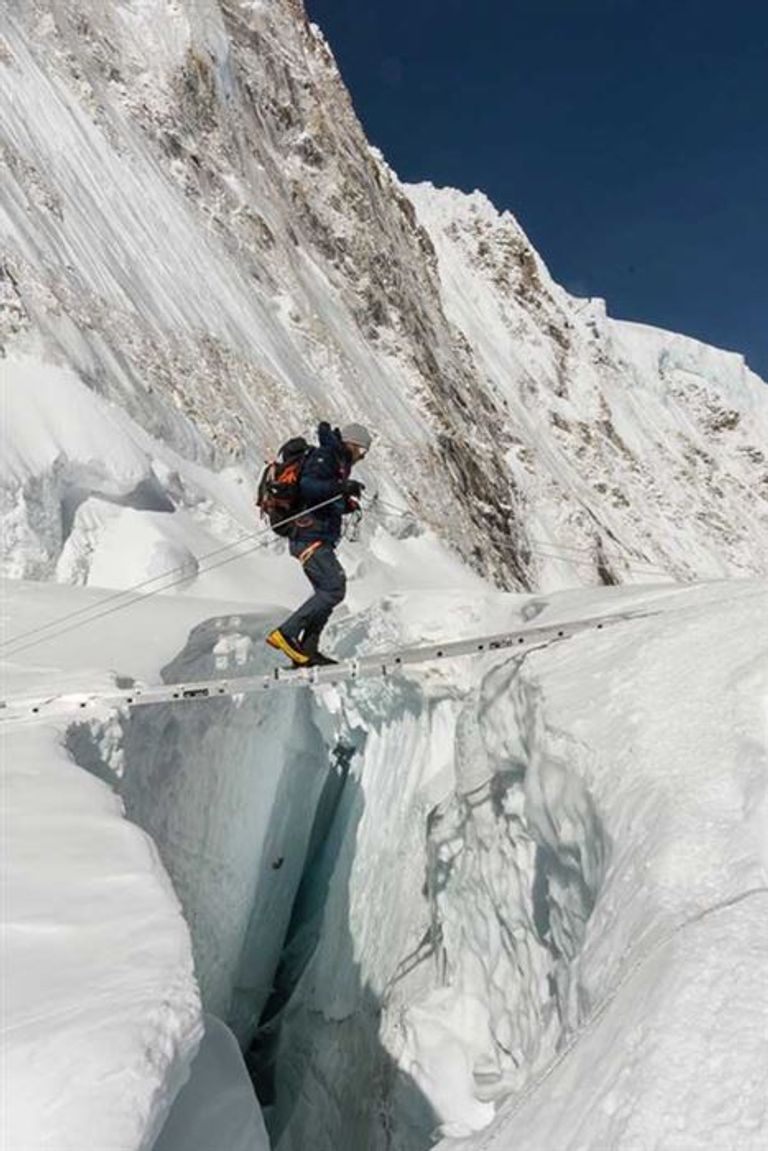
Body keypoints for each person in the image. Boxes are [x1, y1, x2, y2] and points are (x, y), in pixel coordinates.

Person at [266, 421, 372, 667]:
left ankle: (307, 651)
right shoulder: (327, 456)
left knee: (327, 591)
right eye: (362, 451)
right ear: (352, 444)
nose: (362, 457)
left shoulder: (336, 460)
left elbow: (322, 496)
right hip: (309, 536)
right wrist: (341, 487)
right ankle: (286, 634)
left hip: (315, 535)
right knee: (334, 588)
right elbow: (309, 486)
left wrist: (345, 503)